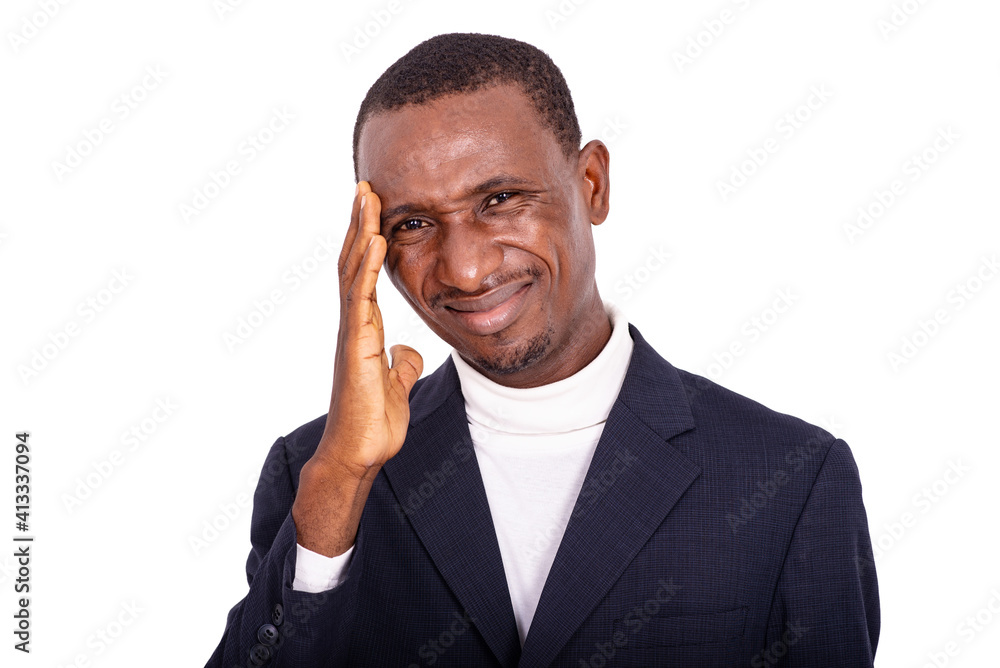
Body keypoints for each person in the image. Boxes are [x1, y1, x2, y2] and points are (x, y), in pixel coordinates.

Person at [207, 33, 879, 667]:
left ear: (592, 184)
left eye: (500, 199)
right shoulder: (315, 474)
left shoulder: (792, 476)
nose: (466, 269)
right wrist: (339, 483)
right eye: (412, 224)